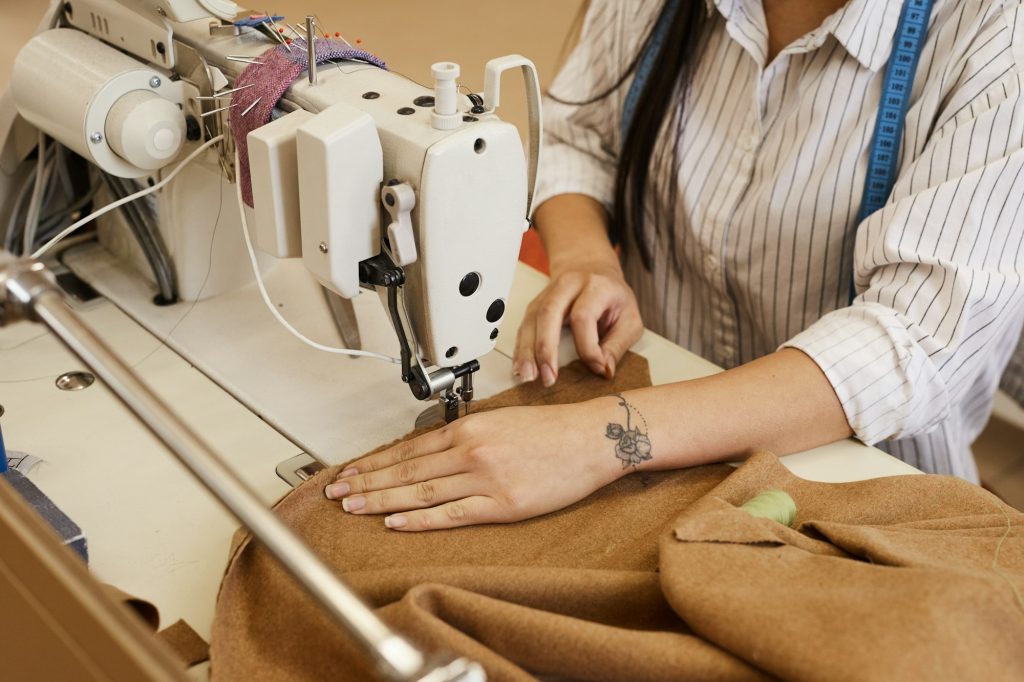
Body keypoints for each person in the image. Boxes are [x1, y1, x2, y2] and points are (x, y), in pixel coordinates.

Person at [324, 0, 1024, 531]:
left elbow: (911, 341)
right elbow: (577, 135)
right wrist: (586, 256)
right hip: (660, 455)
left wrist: (597, 437)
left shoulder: (996, 35)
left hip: (867, 489)